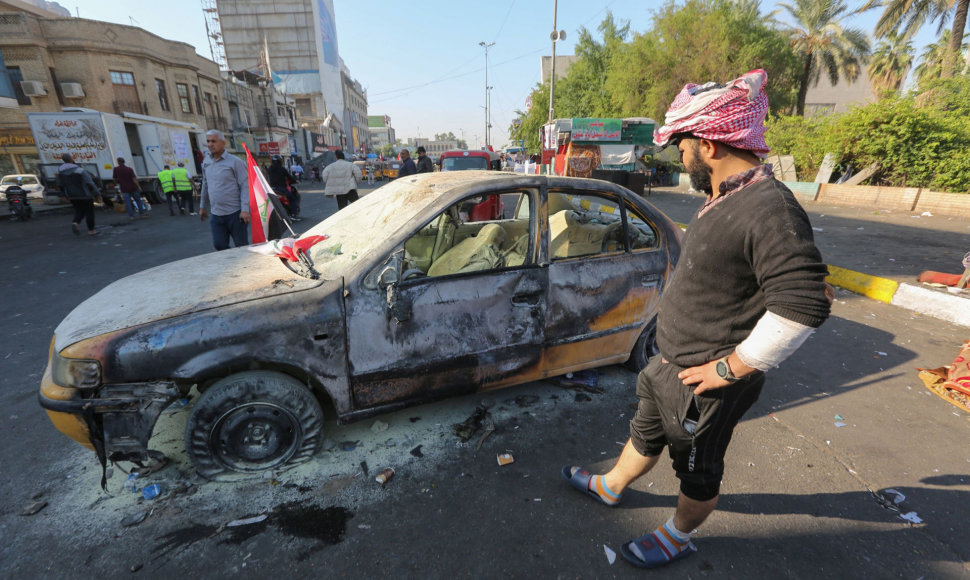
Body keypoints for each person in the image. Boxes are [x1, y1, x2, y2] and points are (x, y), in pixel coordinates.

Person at [561, 70, 832, 570]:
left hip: (705, 385)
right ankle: (611, 485)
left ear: (708, 145)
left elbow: (804, 305)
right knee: (645, 433)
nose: (678, 155)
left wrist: (728, 370)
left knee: (697, 470)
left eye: (681, 145)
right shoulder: (727, 194)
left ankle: (678, 534)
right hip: (668, 366)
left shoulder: (768, 208)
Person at [199, 129, 249, 250]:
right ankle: (232, 263)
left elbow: (245, 185)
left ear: (223, 142)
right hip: (216, 214)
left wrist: (245, 210)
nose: (210, 144)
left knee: (241, 247)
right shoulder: (206, 162)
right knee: (219, 245)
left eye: (214, 141)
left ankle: (244, 266)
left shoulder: (235, 162)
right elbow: (205, 184)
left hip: (235, 214)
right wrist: (202, 206)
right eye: (208, 141)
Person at [57, 153, 102, 236]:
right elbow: (89, 183)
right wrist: (97, 194)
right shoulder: (80, 170)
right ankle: (91, 230)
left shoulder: (60, 173)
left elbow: (60, 185)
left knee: (79, 211)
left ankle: (75, 223)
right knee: (89, 212)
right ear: (71, 159)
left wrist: (65, 195)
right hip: (85, 195)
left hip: (72, 196)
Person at [268, 155, 301, 221]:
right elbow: (289, 177)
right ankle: (293, 214)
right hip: (281, 189)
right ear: (280, 161)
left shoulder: (269, 169)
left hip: (272, 189)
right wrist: (295, 181)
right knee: (292, 199)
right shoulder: (282, 169)